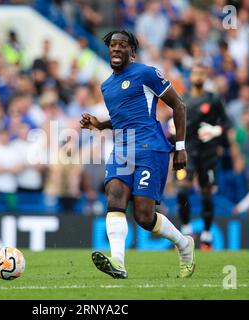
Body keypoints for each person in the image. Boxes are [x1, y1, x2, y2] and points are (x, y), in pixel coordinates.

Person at [80, 30, 195, 279]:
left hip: (150, 148)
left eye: (122, 45)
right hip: (122, 149)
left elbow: (179, 105)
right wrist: (100, 125)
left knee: (144, 217)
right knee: (114, 198)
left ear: (132, 52)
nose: (116, 49)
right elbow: (123, 119)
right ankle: (118, 263)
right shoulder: (107, 85)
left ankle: (184, 244)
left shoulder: (146, 73)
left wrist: (180, 146)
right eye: (112, 45)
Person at [175, 63, 231, 250]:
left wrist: (216, 130)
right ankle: (185, 231)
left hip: (208, 153)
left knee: (207, 193)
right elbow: (175, 123)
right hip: (188, 152)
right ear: (190, 77)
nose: (198, 76)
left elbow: (226, 121)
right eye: (195, 72)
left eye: (201, 73)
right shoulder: (183, 99)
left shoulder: (213, 99)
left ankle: (206, 236)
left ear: (205, 77)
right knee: (183, 190)